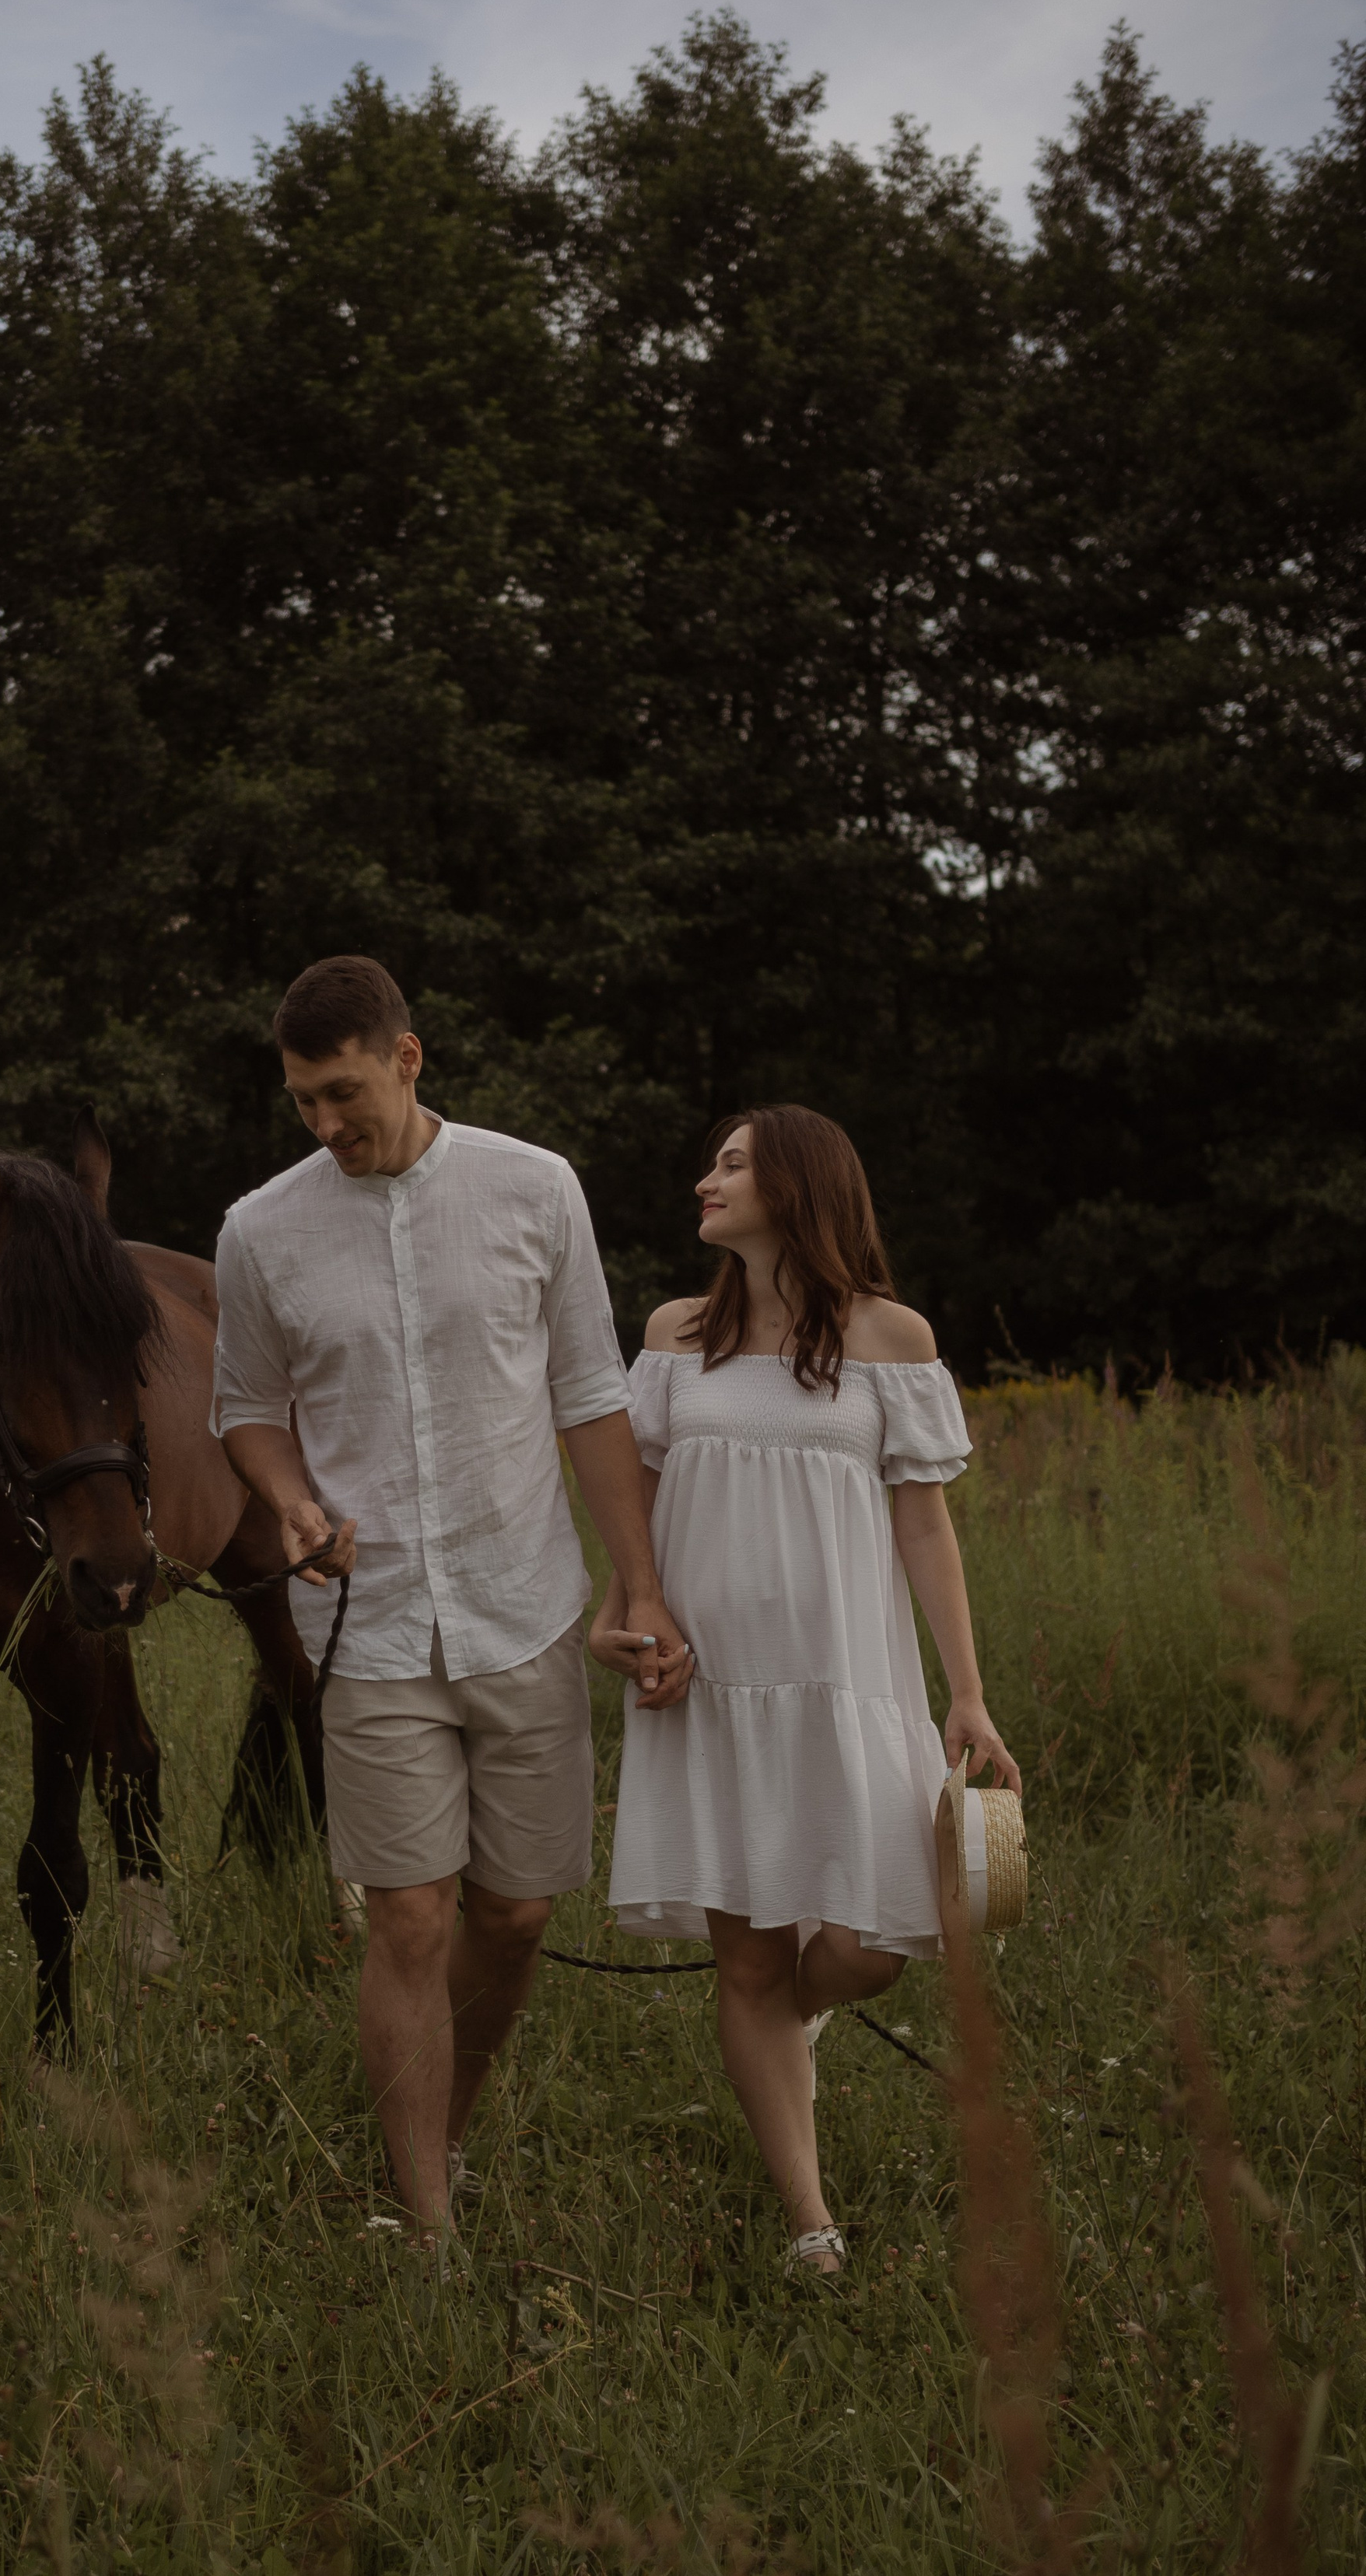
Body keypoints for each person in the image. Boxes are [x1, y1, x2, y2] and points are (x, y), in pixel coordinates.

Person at [212, 955, 692, 2242]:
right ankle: (424, 2222)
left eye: (343, 1092)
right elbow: (248, 1413)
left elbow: (591, 1397)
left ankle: (446, 2130)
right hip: (365, 1626)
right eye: (303, 1101)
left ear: (408, 1057)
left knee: (517, 1913)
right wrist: (290, 1497)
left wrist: (639, 1584)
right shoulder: (261, 1228)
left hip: (522, 1596)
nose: (324, 1124)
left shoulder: (536, 1189)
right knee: (412, 1917)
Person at [590, 1105, 1021, 2276]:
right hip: (709, 1688)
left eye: (730, 1163)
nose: (704, 1178)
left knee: (886, 1934)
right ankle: (810, 2222)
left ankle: (800, 2011)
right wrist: (621, 1608)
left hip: (849, 1680)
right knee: (745, 1957)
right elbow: (629, 1495)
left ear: (797, 1183)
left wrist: (967, 1693)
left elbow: (925, 1522)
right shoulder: (677, 1332)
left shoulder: (892, 1335)